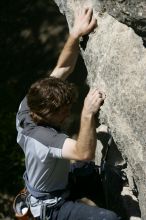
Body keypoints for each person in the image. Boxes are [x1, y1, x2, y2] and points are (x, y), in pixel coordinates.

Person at [16, 7, 119, 220]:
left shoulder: (30, 104)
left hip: (58, 184)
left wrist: (75, 34)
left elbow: (62, 68)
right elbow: (83, 152)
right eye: (63, 112)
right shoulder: (45, 139)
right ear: (47, 114)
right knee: (108, 219)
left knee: (94, 174)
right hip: (51, 208)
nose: (67, 114)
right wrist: (87, 113)